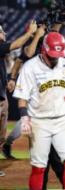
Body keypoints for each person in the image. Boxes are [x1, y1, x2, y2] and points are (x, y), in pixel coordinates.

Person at [12, 32, 65, 189]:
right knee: (39, 167)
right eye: (53, 55)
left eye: (58, 55)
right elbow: (22, 98)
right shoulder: (30, 67)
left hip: (63, 120)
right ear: (44, 50)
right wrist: (25, 119)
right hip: (39, 122)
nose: (56, 58)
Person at [0, 21, 37, 177]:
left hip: (2, 96)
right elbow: (18, 50)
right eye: (1, 31)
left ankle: (6, 145)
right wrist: (31, 33)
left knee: (1, 134)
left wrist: (10, 80)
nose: (4, 33)